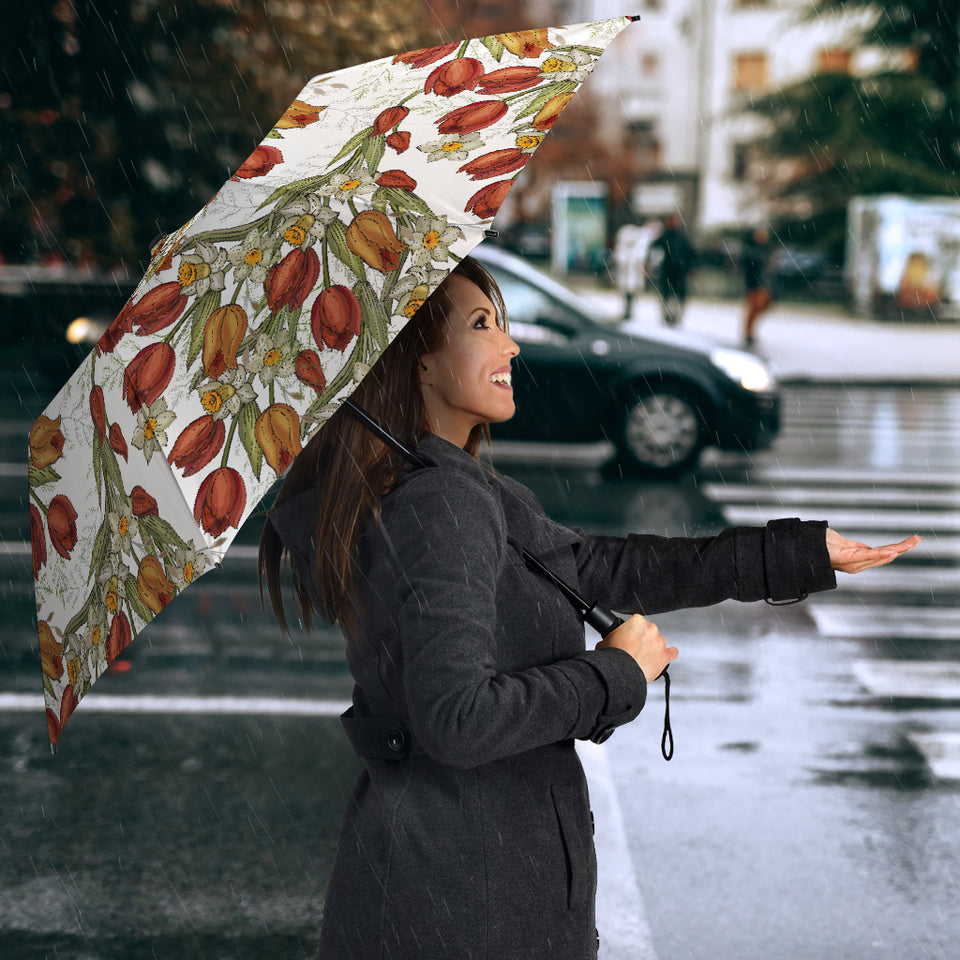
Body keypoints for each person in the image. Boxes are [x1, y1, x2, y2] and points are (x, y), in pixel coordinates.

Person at [259, 256, 919, 960]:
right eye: (483, 325)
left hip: (454, 884)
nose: (510, 345)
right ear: (417, 363)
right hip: (466, 903)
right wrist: (613, 674)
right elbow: (457, 720)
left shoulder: (452, 488)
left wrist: (796, 554)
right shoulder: (439, 504)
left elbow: (604, 567)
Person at [648, 213, 695, 327]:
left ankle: (675, 316)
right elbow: (654, 249)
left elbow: (690, 253)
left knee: (677, 295)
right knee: (667, 294)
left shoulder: (681, 237)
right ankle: (667, 315)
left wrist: (690, 267)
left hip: (679, 271)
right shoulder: (665, 236)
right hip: (668, 270)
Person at [741, 226, 773, 347]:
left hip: (763, 283)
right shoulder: (751, 250)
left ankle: (750, 331)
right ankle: (748, 333)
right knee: (754, 308)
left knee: (762, 306)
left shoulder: (763, 249)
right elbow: (750, 265)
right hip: (755, 284)